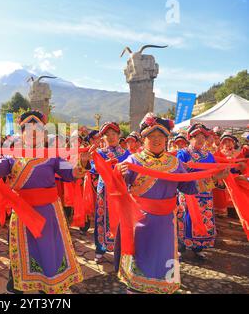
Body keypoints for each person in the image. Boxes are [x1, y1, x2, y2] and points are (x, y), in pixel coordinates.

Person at [115, 114, 228, 293]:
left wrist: (213, 178)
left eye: (161, 136)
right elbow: (118, 187)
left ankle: (162, 286)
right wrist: (118, 173)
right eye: (151, 136)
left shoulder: (174, 163)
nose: (156, 140)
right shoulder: (133, 161)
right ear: (143, 139)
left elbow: (188, 186)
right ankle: (136, 286)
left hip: (166, 222)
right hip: (140, 221)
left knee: (164, 257)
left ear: (167, 139)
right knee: (141, 256)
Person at [0, 110, 85, 294]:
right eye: (28, 129)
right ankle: (17, 285)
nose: (33, 132)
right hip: (23, 211)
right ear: (21, 133)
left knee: (48, 248)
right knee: (22, 249)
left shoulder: (52, 155)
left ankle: (48, 285)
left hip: (49, 211)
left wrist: (80, 167)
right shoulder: (12, 157)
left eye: (37, 129)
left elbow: (69, 172)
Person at [177, 124, 221, 260]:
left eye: (203, 137)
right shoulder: (183, 153)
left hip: (205, 193)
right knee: (186, 218)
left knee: (203, 218)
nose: (200, 140)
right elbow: (178, 171)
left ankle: (198, 247)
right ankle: (181, 246)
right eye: (197, 137)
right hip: (188, 193)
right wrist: (188, 168)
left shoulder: (209, 155)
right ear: (190, 138)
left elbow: (215, 171)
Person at [91, 122, 130, 263]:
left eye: (113, 134)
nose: (111, 137)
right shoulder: (100, 153)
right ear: (103, 138)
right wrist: (103, 166)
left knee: (122, 218)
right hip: (105, 191)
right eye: (107, 135)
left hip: (122, 190)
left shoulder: (127, 153)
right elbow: (93, 168)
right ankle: (100, 248)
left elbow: (132, 168)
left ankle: (121, 247)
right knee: (102, 217)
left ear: (119, 135)